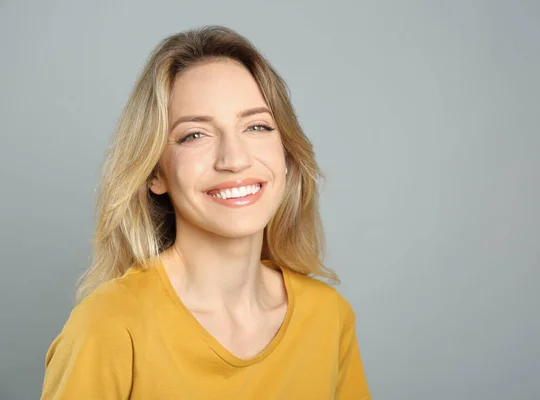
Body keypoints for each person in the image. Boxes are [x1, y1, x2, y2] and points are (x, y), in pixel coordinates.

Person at [41, 25, 370, 399]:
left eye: (257, 126)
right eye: (195, 134)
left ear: (287, 154)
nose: (234, 159)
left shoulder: (329, 317)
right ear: (155, 172)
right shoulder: (108, 327)